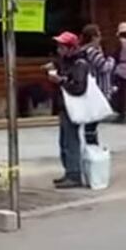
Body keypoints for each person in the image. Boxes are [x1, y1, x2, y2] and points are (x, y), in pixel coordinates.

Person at [46, 31, 90, 189]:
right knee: (64, 141)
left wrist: (60, 80)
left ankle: (74, 174)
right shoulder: (66, 61)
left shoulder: (80, 64)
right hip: (64, 106)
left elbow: (78, 87)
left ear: (71, 48)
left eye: (62, 46)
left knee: (71, 141)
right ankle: (69, 172)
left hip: (73, 107)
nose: (59, 49)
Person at [80, 24, 114, 147]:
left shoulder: (83, 50)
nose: (100, 38)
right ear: (93, 37)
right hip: (98, 87)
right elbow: (104, 67)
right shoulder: (92, 51)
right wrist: (111, 60)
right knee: (94, 118)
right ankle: (91, 143)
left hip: (90, 87)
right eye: (98, 35)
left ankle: (90, 141)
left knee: (92, 118)